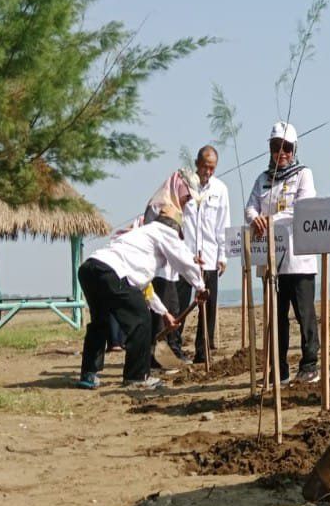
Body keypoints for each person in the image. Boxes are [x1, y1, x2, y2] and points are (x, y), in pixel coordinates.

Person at [78, 170, 207, 390]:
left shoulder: (142, 243)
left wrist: (164, 313)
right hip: (110, 271)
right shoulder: (163, 230)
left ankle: (89, 373)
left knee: (100, 322)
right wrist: (201, 285)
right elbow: (183, 260)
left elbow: (144, 287)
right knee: (140, 320)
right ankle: (136, 377)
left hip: (90, 269)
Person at [245, 121, 320, 385]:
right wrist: (256, 218)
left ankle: (310, 364)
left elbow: (302, 207)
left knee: (304, 315)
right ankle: (279, 369)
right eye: (276, 147)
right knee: (276, 319)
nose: (282, 153)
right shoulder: (262, 179)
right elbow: (250, 208)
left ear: (294, 148)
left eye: (286, 147)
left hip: (299, 259)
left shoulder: (303, 174)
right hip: (272, 260)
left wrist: (271, 218)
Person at [175, 145, 231, 364]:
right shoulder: (184, 184)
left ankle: (203, 350)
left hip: (209, 255)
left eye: (212, 168)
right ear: (197, 164)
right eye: (205, 166)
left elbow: (222, 224)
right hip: (185, 256)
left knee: (208, 305)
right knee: (180, 303)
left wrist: (222, 256)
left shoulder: (220, 189)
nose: (208, 171)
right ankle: (174, 346)